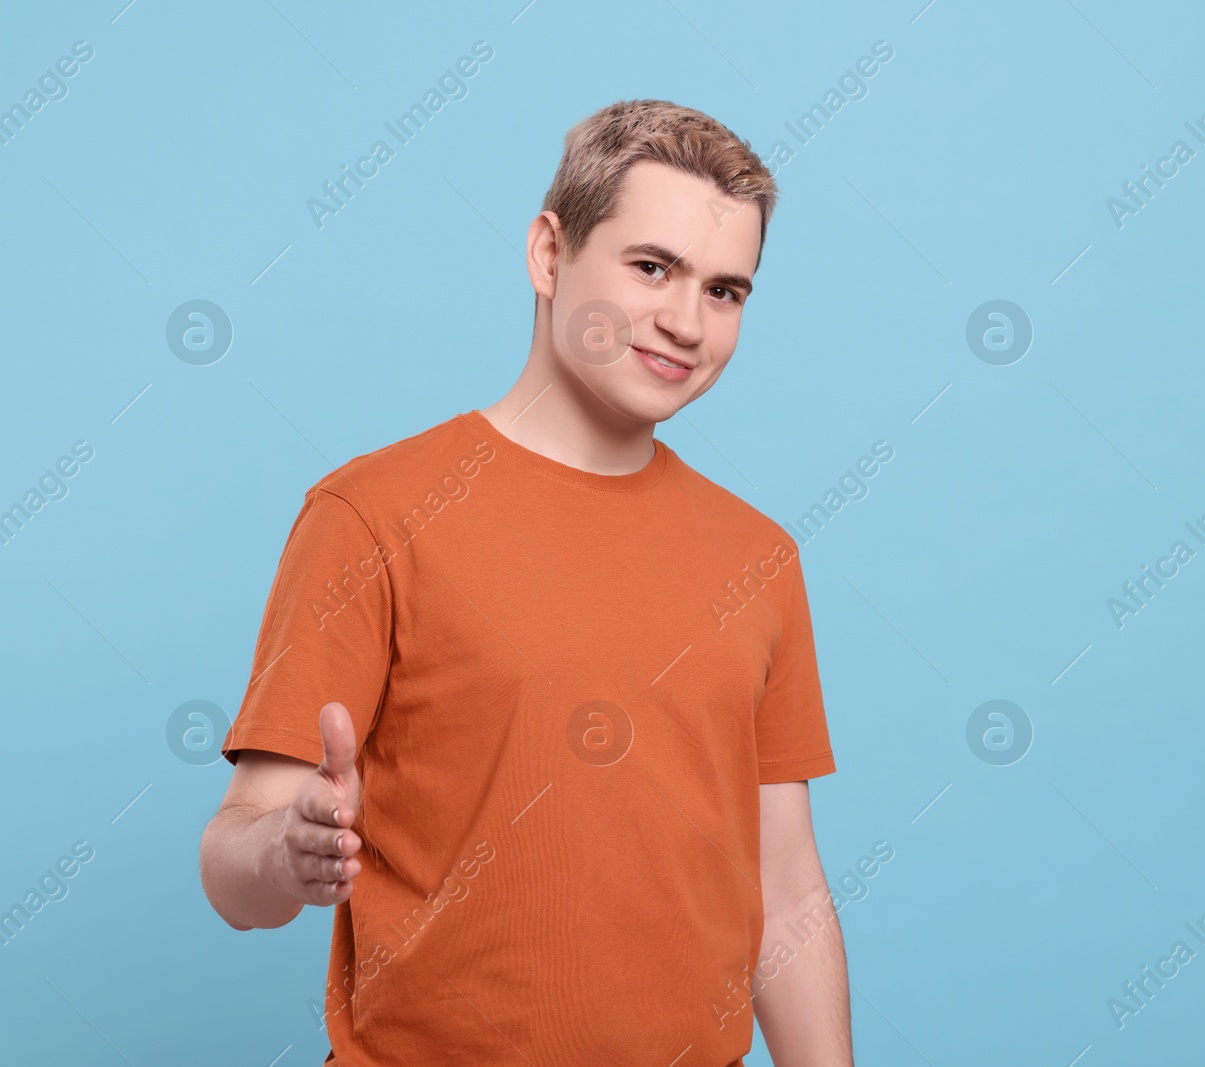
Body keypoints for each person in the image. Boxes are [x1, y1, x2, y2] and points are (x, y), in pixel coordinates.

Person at [198, 99, 851, 1067]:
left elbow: (787, 884)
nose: (685, 320)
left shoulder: (758, 556)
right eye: (651, 267)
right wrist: (284, 851)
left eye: (725, 291)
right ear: (549, 254)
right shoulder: (371, 514)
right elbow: (231, 867)